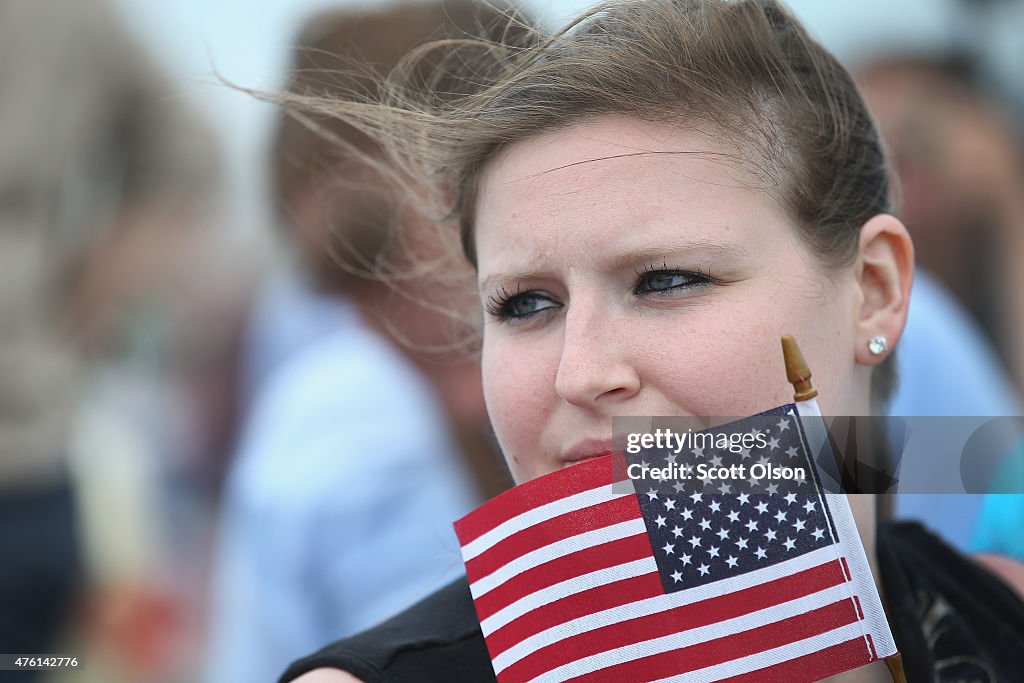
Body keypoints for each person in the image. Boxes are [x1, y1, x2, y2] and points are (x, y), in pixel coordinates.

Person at [269, 1, 1024, 681]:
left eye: (665, 281)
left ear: (875, 290)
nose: (580, 371)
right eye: (526, 303)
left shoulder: (1001, 620)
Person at [203, 5, 524, 682]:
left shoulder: (704, 398)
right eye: (344, 283)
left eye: (377, 246)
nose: (386, 321)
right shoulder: (321, 448)